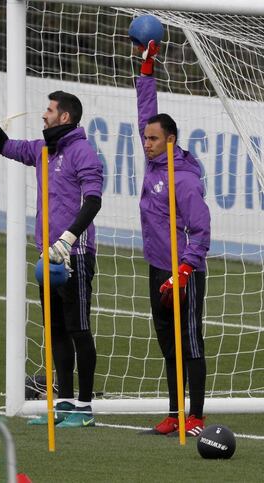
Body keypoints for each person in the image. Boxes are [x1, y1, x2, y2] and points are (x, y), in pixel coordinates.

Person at [0, 72, 103, 428]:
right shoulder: (43, 149)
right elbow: (4, 146)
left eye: (49, 109)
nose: (43, 114)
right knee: (55, 330)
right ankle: (64, 405)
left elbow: (93, 201)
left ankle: (84, 408)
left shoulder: (83, 152)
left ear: (65, 117)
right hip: (47, 256)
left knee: (78, 329)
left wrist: (68, 239)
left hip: (74, 255)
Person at [133, 41, 211, 436]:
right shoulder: (153, 161)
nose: (145, 143)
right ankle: (174, 413)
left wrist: (183, 270)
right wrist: (146, 70)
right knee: (167, 343)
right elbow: (147, 112)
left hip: (185, 272)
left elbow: (202, 231)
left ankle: (195, 416)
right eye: (144, 138)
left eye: (151, 139)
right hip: (156, 267)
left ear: (170, 140)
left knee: (190, 341)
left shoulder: (184, 180)